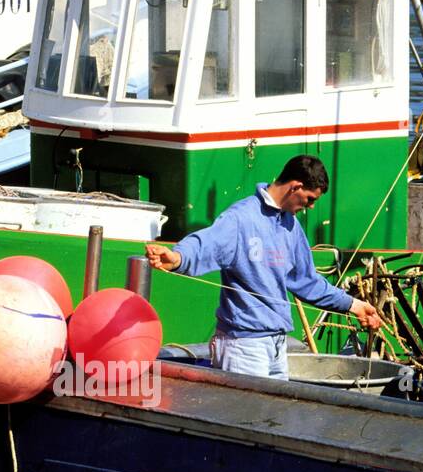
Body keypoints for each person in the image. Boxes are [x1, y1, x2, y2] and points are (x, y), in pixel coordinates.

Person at [145, 155, 382, 380]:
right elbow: (206, 243)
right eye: (310, 199)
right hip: (243, 348)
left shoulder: (291, 224)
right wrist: (176, 258)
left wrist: (354, 305)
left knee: (276, 420)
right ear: (295, 186)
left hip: (277, 347)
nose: (310, 207)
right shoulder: (241, 217)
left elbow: (308, 282)